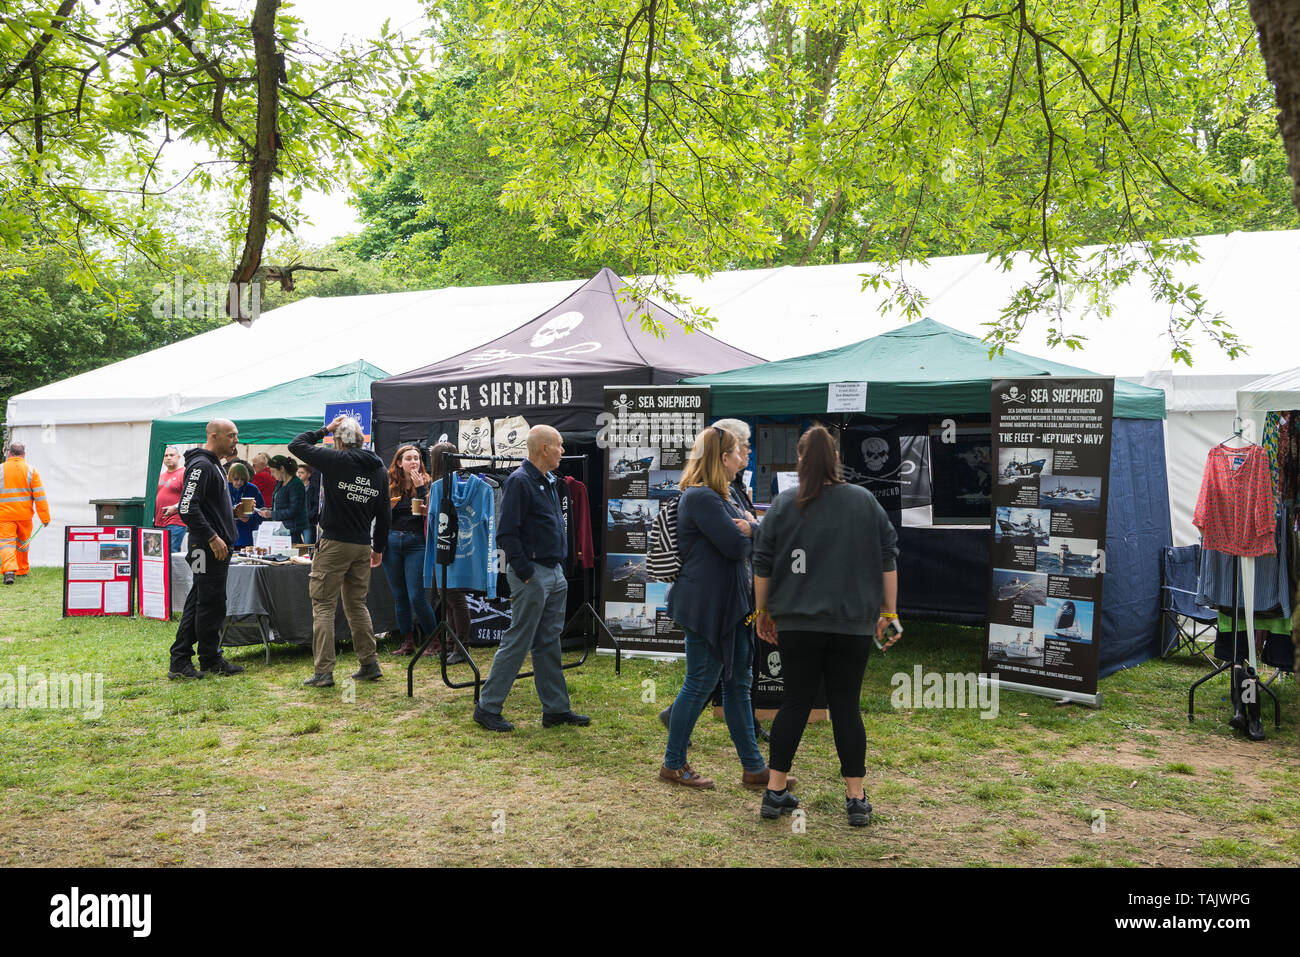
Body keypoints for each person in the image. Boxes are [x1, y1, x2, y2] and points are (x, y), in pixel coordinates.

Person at [752, 425, 901, 827]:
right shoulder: (864, 501)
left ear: (800, 460)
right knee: (846, 707)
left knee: (795, 702)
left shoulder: (785, 503)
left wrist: (761, 612)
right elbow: (888, 558)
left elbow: (762, 563)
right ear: (836, 458)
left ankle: (775, 790)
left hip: (797, 622)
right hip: (852, 622)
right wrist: (889, 613)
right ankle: (856, 798)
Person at [659, 426, 776, 791]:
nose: (744, 457)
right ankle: (673, 765)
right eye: (739, 452)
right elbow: (736, 547)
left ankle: (754, 768)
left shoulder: (722, 497)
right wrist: (747, 530)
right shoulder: (702, 498)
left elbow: (750, 535)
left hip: (731, 605)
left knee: (738, 684)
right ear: (722, 458)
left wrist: (749, 527)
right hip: (707, 609)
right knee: (700, 682)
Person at [473, 425, 588, 732]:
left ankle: (556, 709)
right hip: (533, 574)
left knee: (549, 641)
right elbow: (506, 533)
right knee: (518, 640)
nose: (563, 451)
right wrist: (525, 572)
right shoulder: (520, 482)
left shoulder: (548, 481)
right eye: (560, 446)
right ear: (543, 449)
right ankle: (487, 707)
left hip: (552, 572)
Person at [289, 416, 390, 688]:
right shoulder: (378, 468)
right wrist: (378, 547)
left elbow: (296, 445)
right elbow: (384, 513)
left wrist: (325, 428)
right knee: (357, 604)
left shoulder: (336, 460)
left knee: (323, 605)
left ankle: (323, 671)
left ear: (339, 441)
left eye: (334, 440)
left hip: (334, 543)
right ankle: (369, 663)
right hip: (361, 544)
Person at [168, 419, 245, 679]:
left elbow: (203, 505)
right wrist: (213, 536)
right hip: (205, 548)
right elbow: (188, 507)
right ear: (214, 436)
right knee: (209, 603)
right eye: (231, 436)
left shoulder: (213, 465)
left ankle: (194, 659)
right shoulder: (201, 465)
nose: (236, 440)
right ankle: (202, 659)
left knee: (201, 601)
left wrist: (228, 513)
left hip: (213, 546)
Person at [383, 444, 440, 656]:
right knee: (399, 596)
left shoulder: (428, 483)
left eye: (416, 458)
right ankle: (407, 642)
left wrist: (422, 489)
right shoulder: (390, 485)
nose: (414, 462)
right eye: (408, 458)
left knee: (417, 596)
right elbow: (380, 518)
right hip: (392, 542)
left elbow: (432, 514)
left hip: (416, 542)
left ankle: (434, 640)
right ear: (399, 462)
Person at [424, 442, 471, 664]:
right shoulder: (454, 482)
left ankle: (460, 646)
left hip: (445, 545)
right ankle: (454, 644)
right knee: (449, 597)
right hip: (448, 545)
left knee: (454, 597)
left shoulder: (445, 485)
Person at [0, 441, 50, 585]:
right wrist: (45, 517)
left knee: (6, 544)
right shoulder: (31, 470)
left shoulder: (1, 469)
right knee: (23, 543)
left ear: (9, 453)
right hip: (24, 516)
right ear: (24, 454)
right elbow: (40, 496)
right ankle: (22, 570)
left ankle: (9, 571)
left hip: (4, 516)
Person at [258, 454, 309, 545]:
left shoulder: (296, 484)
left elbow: (294, 510)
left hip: (292, 529)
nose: (272, 475)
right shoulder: (280, 483)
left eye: (273, 471)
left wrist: (271, 514)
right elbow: (280, 505)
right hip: (281, 528)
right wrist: (269, 509)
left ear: (282, 468)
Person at [154, 445, 188, 554]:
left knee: (171, 553)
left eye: (171, 455)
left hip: (175, 521)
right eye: (166, 456)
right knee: (158, 554)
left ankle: (173, 572)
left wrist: (175, 507)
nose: (168, 458)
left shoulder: (184, 473)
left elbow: (189, 497)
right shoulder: (161, 475)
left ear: (178, 457)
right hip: (159, 522)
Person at [226, 462, 265, 550]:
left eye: (242, 479)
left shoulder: (252, 489)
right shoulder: (224, 489)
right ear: (231, 477)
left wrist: (249, 518)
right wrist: (235, 515)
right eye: (236, 479)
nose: (239, 482)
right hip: (229, 536)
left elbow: (261, 512)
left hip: (248, 536)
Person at [297, 463, 321, 545]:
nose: (299, 474)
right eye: (298, 472)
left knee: (308, 545)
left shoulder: (314, 488)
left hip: (309, 522)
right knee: (295, 545)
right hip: (296, 522)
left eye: (302, 472)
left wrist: (308, 516)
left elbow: (316, 506)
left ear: (309, 475)